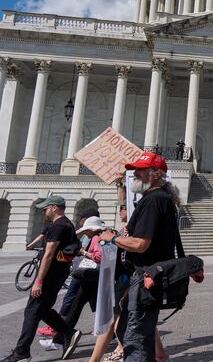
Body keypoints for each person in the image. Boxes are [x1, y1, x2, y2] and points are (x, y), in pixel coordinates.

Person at [99, 151, 178, 362]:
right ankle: (161, 356)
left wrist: (112, 238)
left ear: (155, 174)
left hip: (146, 276)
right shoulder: (161, 199)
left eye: (140, 171)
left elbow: (141, 245)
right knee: (139, 328)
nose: (135, 174)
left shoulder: (153, 201)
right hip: (149, 275)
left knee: (135, 337)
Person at [1, 196, 83, 362]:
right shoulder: (66, 224)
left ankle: (22, 352)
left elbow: (49, 254)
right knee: (43, 309)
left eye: (45, 209)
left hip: (50, 276)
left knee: (32, 311)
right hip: (58, 274)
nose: (44, 211)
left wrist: (38, 280)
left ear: (54, 207)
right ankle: (68, 333)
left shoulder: (58, 226)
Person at [40, 216, 107, 353]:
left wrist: (83, 252)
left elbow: (99, 257)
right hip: (95, 278)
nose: (85, 233)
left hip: (92, 277)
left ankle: (60, 338)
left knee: (76, 306)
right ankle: (62, 337)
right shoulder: (100, 237)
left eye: (87, 230)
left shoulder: (96, 238)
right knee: (89, 306)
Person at [90, 202, 130, 362]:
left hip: (126, 277)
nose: (120, 211)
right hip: (120, 276)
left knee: (113, 315)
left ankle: (98, 357)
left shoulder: (130, 229)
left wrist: (115, 238)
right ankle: (161, 354)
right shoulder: (123, 229)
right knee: (120, 314)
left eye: (123, 207)